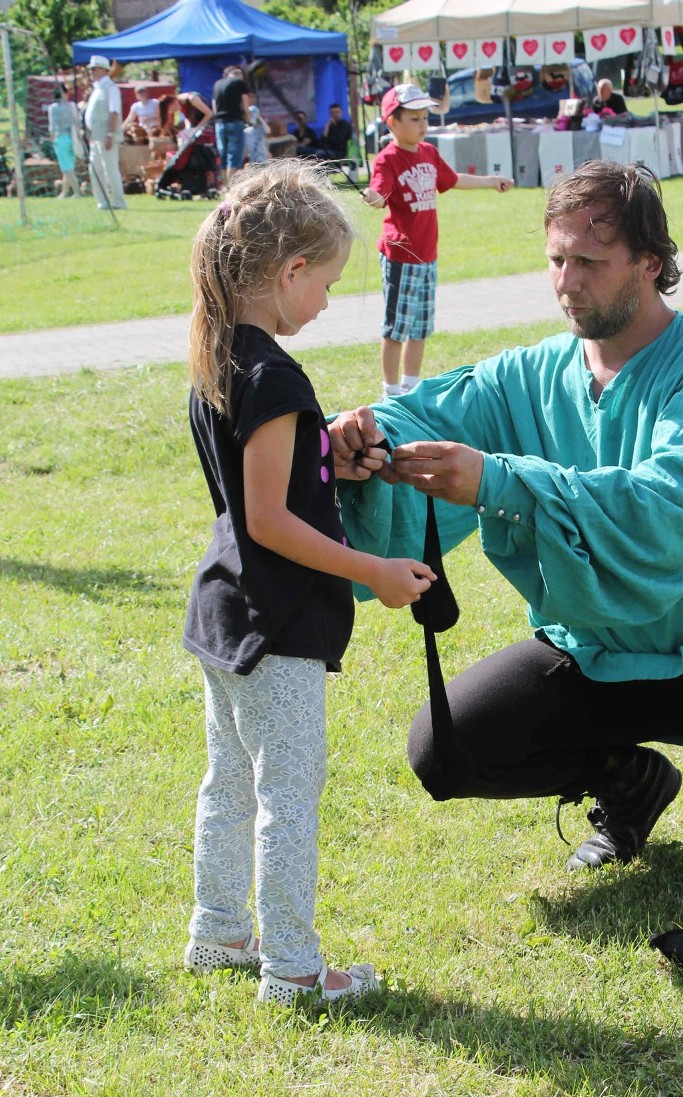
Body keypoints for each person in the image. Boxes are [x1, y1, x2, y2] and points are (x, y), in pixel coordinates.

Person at [330, 159, 683, 908]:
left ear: (650, 264)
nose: (568, 281)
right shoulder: (531, 375)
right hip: (598, 650)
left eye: (592, 262)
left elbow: (670, 506)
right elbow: (430, 414)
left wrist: (502, 482)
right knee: (447, 746)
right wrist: (362, 437)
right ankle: (630, 784)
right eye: (557, 260)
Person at [182, 159, 435, 1006]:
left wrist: (330, 446)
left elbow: (271, 477)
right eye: (325, 284)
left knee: (231, 782)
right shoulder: (274, 375)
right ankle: (292, 968)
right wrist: (375, 571)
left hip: (225, 613)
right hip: (277, 624)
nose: (327, 302)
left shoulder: (222, 353)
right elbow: (269, 519)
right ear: (289, 272)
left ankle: (219, 931)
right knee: (286, 797)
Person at [360, 83, 514, 402]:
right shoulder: (388, 159)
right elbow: (379, 194)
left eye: (424, 118)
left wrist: (490, 181)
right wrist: (373, 198)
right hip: (400, 256)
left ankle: (411, 388)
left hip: (427, 256)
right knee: (396, 327)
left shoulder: (429, 153)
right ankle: (390, 393)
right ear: (392, 123)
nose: (422, 125)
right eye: (414, 119)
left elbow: (453, 179)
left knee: (420, 327)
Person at [83, 55, 127, 211]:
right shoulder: (96, 89)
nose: (91, 72)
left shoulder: (111, 88)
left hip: (106, 136)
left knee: (110, 169)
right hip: (95, 137)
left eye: (94, 69)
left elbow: (114, 113)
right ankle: (102, 201)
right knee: (95, 170)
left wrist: (109, 134)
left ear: (103, 70)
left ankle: (118, 201)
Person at [212, 65, 250, 183]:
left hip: (219, 123)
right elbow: (245, 104)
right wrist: (247, 119)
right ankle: (232, 187)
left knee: (223, 155)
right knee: (234, 156)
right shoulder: (239, 83)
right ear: (239, 75)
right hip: (235, 121)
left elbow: (214, 106)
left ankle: (225, 186)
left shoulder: (217, 84)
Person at [48, 85, 80, 199]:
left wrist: (52, 140)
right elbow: (78, 123)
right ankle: (65, 191)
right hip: (74, 138)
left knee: (67, 167)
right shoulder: (72, 106)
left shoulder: (53, 108)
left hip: (61, 138)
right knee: (69, 165)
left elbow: (52, 126)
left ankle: (77, 191)